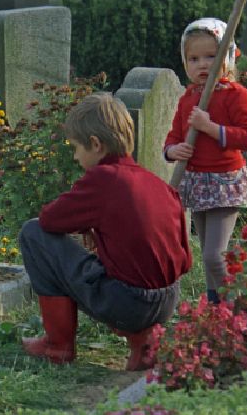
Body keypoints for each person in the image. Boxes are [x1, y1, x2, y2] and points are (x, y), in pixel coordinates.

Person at [18, 93, 192, 370]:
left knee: (33, 233)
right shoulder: (157, 184)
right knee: (128, 269)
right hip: (167, 301)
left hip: (128, 304)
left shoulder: (104, 178)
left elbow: (49, 220)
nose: (75, 156)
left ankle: (57, 345)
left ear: (96, 145)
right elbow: (184, 259)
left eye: (76, 148)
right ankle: (144, 345)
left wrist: (86, 222)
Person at [164, 17, 247, 302]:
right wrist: (172, 151)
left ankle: (242, 307)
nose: (202, 64)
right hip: (197, 182)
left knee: (214, 255)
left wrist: (211, 128)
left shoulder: (237, 96)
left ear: (227, 58)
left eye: (210, 56)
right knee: (206, 254)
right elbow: (173, 135)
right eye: (193, 58)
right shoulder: (187, 98)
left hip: (224, 183)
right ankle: (216, 309)